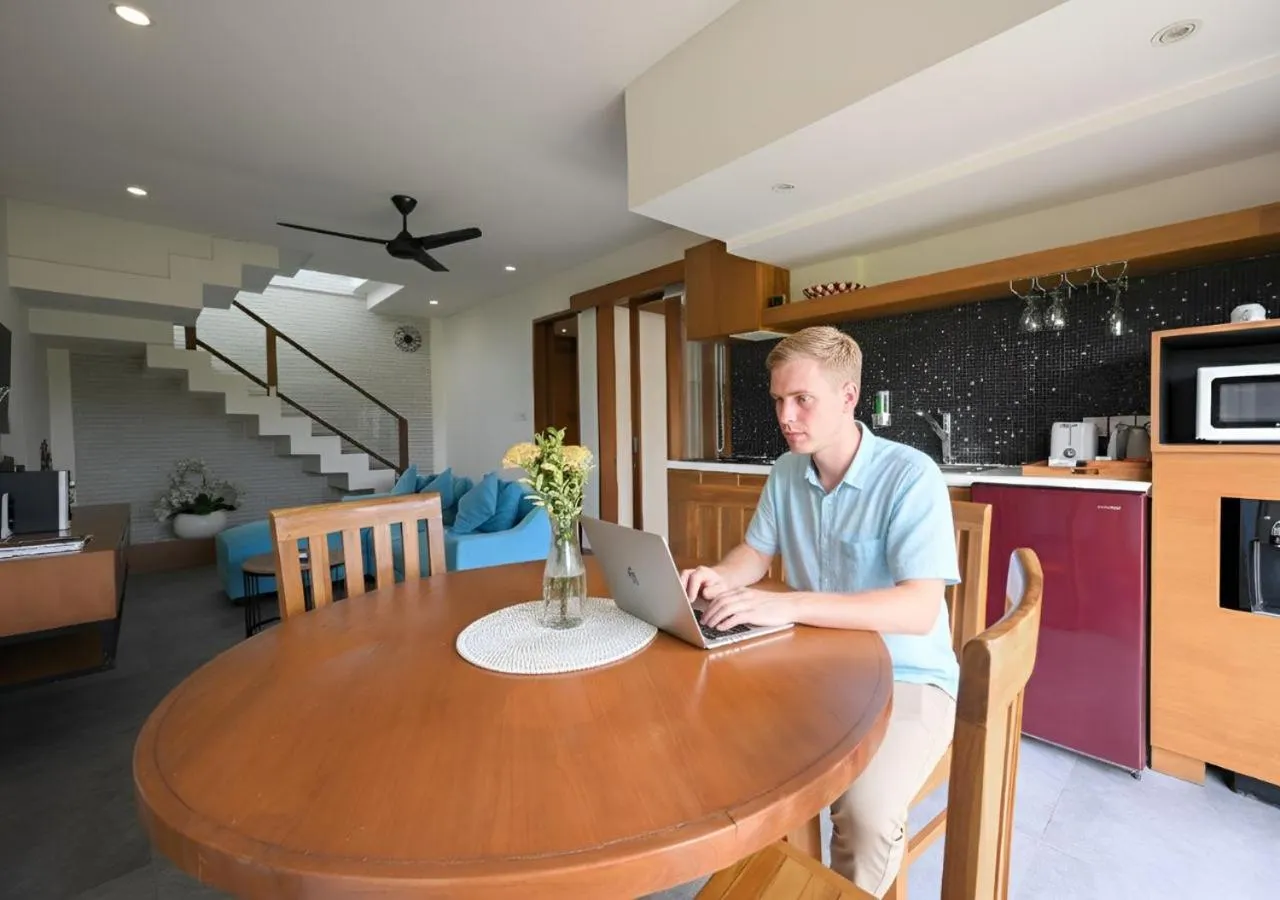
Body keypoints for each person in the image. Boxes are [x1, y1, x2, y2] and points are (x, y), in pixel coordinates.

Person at [680, 325, 959, 898]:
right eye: (780, 400)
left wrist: (787, 605)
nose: (787, 416)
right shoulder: (787, 471)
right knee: (718, 748)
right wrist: (721, 575)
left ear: (848, 396)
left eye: (802, 399)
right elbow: (756, 552)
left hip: (908, 679)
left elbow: (917, 610)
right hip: (815, 668)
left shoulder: (910, 476)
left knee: (865, 813)